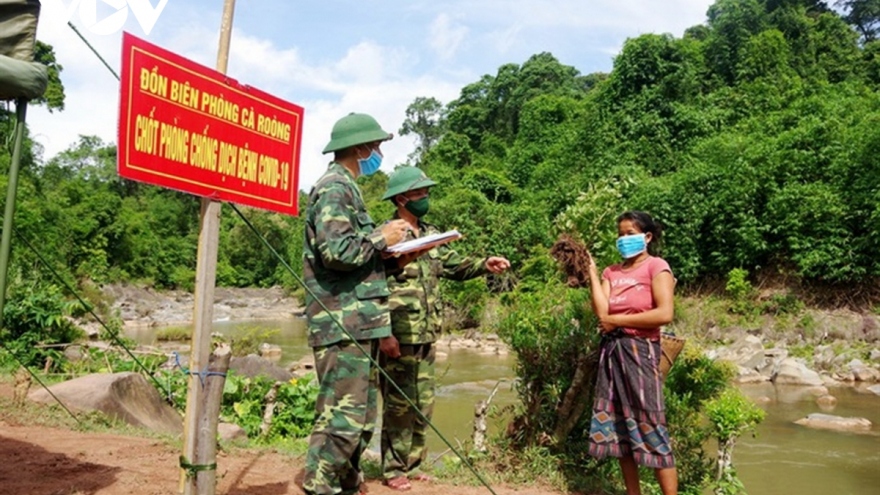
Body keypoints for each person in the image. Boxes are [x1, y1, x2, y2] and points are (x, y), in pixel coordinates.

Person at [378, 166, 511, 491]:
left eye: (427, 192)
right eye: (420, 193)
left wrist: (484, 265)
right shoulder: (386, 235)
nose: (426, 198)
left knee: (424, 401)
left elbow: (452, 264)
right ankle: (394, 469)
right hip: (398, 333)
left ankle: (415, 463)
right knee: (398, 404)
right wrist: (383, 332)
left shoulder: (430, 232)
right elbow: (371, 285)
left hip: (426, 333)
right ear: (401, 198)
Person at [301, 113, 414, 495]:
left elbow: (357, 256)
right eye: (377, 146)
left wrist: (396, 255)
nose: (378, 153)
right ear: (361, 147)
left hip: (359, 319)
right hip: (341, 320)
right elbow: (336, 252)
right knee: (342, 417)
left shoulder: (349, 188)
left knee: (362, 417)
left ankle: (346, 484)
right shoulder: (334, 187)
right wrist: (382, 237)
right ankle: (319, 487)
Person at [585, 210, 678, 495]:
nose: (624, 239)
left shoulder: (656, 267)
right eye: (621, 234)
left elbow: (664, 313)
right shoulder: (611, 272)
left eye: (630, 234)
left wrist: (618, 321)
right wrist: (590, 270)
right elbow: (602, 312)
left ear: (647, 237)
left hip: (641, 352)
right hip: (613, 353)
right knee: (620, 432)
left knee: (652, 426)